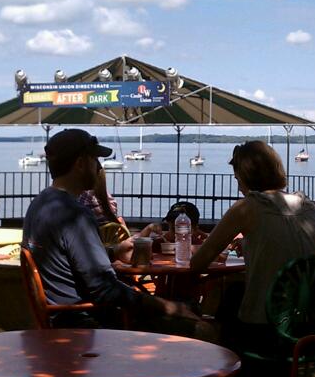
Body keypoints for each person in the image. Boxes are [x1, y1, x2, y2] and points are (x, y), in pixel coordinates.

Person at [22, 129, 208, 334]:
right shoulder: (75, 215)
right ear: (81, 163)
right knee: (201, 329)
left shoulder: (38, 205)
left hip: (57, 320)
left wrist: (114, 251)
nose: (99, 167)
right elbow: (105, 289)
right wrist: (168, 306)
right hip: (88, 325)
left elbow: (69, 261)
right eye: (95, 159)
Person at [190, 140, 315, 354]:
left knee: (223, 300)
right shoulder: (308, 207)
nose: (238, 187)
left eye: (237, 179)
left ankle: (223, 366)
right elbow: (287, 247)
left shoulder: (248, 207)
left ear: (246, 176)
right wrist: (250, 245)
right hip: (312, 327)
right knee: (234, 291)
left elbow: (197, 264)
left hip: (266, 330)